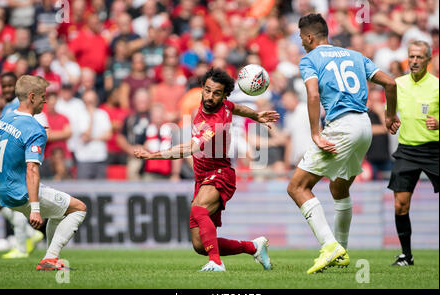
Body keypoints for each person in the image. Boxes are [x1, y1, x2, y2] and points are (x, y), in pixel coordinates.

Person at [134, 67, 280, 271]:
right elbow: (237, 107)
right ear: (202, 88)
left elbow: (188, 149)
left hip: (219, 174)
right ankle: (254, 247)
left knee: (198, 209)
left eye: (217, 93)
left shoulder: (214, 123)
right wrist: (256, 116)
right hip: (202, 177)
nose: (210, 97)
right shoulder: (224, 105)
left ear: (223, 95)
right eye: (208, 90)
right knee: (200, 245)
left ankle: (216, 263)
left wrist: (154, 154)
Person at [286, 14, 397, 274]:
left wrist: (315, 132)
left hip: (341, 126)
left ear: (310, 37)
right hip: (364, 127)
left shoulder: (310, 59)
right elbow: (390, 83)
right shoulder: (355, 56)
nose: (302, 42)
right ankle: (341, 249)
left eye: (302, 37)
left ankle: (329, 246)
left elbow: (313, 94)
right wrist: (390, 114)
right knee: (339, 188)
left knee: (297, 187)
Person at [0, 75, 87, 270]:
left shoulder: (5, 118)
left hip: (1, 190)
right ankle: (50, 259)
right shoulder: (35, 129)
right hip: (21, 192)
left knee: (59, 212)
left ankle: (50, 258)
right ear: (32, 96)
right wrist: (35, 209)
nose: (45, 100)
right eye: (43, 96)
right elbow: (32, 169)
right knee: (79, 208)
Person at [385, 40, 439, 266]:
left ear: (428, 60)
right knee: (400, 204)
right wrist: (390, 118)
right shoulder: (397, 84)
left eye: (419, 57)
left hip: (435, 151)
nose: (414, 61)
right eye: (411, 57)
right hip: (407, 150)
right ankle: (406, 255)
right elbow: (389, 108)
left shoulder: (437, 86)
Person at [0, 72, 44, 259]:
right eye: (3, 86)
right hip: (8, 160)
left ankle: (22, 246)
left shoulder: (22, 107)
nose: (6, 89)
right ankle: (29, 236)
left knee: (13, 201)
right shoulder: (8, 107)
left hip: (20, 162)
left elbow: (39, 130)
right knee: (0, 201)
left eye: (9, 86)